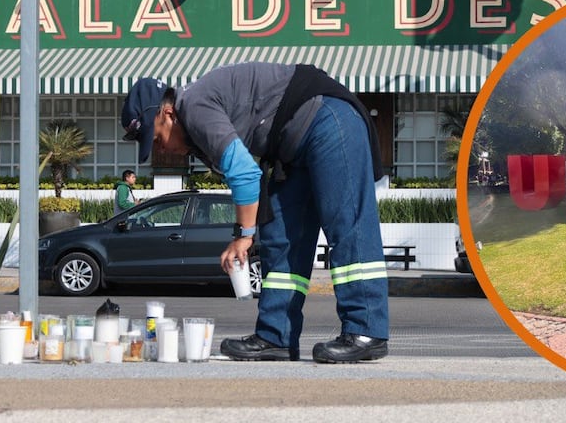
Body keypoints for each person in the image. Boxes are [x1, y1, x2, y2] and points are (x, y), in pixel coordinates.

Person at [119, 63, 389, 363]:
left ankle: (366, 330)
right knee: (280, 236)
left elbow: (245, 174)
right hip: (291, 146)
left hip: (327, 119)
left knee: (347, 225)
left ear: (168, 114)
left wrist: (244, 237)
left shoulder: (194, 107)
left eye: (158, 138)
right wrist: (243, 233)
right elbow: (246, 177)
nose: (162, 150)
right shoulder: (194, 124)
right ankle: (276, 336)